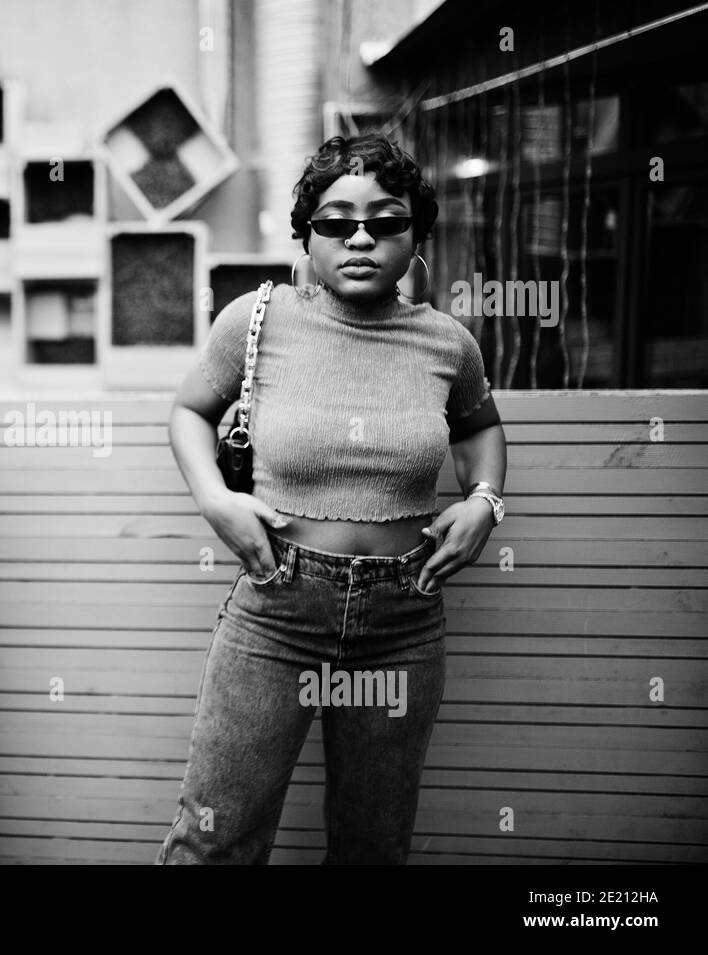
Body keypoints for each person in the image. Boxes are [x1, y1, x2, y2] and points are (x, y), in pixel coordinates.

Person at [156, 133, 507, 864]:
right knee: (214, 838)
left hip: (404, 619)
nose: (360, 238)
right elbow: (190, 410)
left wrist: (484, 500)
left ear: (415, 239)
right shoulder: (257, 321)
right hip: (278, 605)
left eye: (385, 222)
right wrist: (215, 500)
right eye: (335, 220)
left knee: (372, 848)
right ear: (306, 234)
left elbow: (479, 427)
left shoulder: (447, 344)